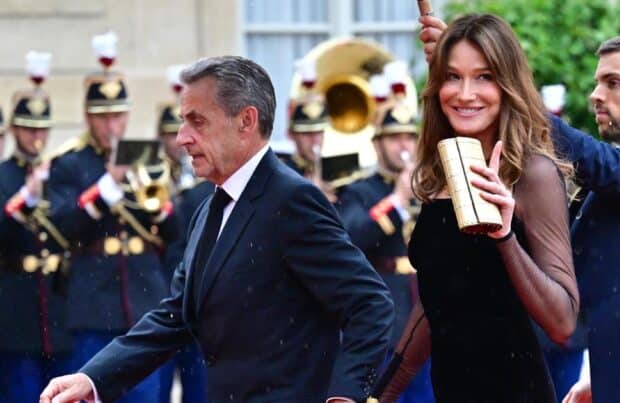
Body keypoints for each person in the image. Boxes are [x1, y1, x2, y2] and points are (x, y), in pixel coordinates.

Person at [40, 55, 395, 403]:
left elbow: (369, 302)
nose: (182, 137)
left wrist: (344, 396)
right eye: (183, 122)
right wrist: (92, 378)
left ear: (246, 121)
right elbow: (176, 314)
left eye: (197, 122)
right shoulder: (210, 208)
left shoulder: (291, 200)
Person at [419, 16, 620, 403]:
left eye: (612, 82)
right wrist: (601, 377)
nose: (595, 94)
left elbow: (598, 163)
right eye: (597, 82)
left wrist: (505, 85)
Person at [377, 14, 579, 402]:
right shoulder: (441, 171)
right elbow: (439, 302)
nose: (465, 93)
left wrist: (503, 236)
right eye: (453, 76)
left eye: (483, 77)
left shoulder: (532, 173)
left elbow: (562, 322)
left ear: (507, 85)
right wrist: (378, 395)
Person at [44, 45, 182, 402]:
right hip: (92, 300)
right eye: (103, 116)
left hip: (143, 296)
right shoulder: (70, 163)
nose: (112, 125)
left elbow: (174, 232)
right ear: (88, 117)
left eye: (118, 115)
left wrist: (158, 205)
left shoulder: (146, 157)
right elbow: (64, 229)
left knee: (145, 395)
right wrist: (110, 183)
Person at [335, 103, 434, 403]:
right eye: (394, 138)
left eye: (409, 137)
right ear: (377, 144)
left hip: (428, 311)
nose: (404, 145)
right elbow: (352, 238)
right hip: (387, 312)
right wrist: (399, 200)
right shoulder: (359, 191)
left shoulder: (431, 187)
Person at [0, 85, 73, 402]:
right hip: (15, 309)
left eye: (42, 129)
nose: (36, 136)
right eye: (29, 129)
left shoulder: (59, 174)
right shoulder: (3, 176)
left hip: (58, 309)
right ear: (15, 130)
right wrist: (24, 200)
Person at [155, 97, 210, 403]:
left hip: (197, 303)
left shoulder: (202, 183)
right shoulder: (153, 172)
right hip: (163, 293)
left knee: (199, 388)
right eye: (169, 133)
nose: (177, 141)